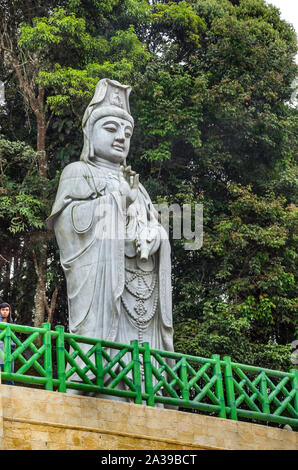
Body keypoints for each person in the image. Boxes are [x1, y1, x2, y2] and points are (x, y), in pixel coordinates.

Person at [47, 79, 174, 397]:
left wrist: (156, 236)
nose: (121, 137)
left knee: (144, 378)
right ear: (90, 134)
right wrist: (116, 200)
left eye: (127, 132)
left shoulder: (137, 184)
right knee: (109, 374)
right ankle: (98, 374)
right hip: (105, 295)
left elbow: (154, 225)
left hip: (142, 294)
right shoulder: (78, 173)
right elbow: (69, 227)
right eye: (111, 128)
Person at [0, 302, 15, 385]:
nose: (5, 312)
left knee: (10, 372)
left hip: (9, 350)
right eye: (3, 310)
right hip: (0, 348)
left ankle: (10, 394)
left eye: (7, 310)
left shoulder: (11, 323)